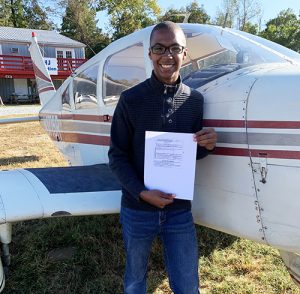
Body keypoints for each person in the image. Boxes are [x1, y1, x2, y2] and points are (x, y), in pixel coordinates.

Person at [108, 21, 217, 294]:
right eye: (159, 48)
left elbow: (188, 152)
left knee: (188, 284)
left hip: (179, 211)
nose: (167, 56)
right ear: (150, 54)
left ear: (185, 53)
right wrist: (142, 193)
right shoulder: (130, 100)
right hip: (137, 209)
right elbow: (117, 156)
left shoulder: (195, 100)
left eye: (174, 48)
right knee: (135, 280)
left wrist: (206, 145)